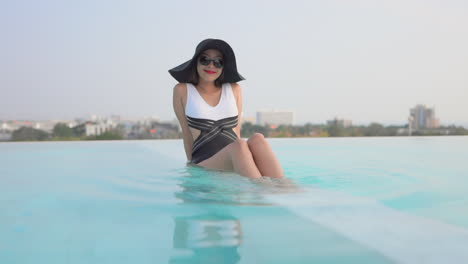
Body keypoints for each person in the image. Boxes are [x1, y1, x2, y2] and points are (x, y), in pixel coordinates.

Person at [170, 38, 283, 179]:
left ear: (223, 67)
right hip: (205, 160)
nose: (211, 65)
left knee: (257, 139)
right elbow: (186, 132)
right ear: (196, 63)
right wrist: (191, 166)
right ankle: (259, 193)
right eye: (205, 60)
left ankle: (285, 189)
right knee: (240, 146)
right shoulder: (182, 90)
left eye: (218, 62)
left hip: (236, 153)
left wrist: (244, 158)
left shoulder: (234, 89)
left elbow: (237, 131)